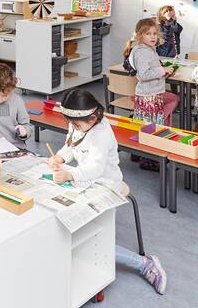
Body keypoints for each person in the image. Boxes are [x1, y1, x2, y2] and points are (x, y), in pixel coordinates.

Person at [47, 90, 167, 295]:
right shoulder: (79, 121)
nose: (73, 127)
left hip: (106, 185)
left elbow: (96, 169)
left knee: (89, 236)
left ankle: (144, 264)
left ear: (93, 118)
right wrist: (60, 158)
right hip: (84, 182)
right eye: (71, 124)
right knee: (62, 219)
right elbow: (71, 144)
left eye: (76, 124)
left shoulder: (101, 133)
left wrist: (69, 175)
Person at [124, 18, 179, 171]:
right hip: (149, 96)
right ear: (140, 35)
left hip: (152, 93)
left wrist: (164, 73)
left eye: (155, 33)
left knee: (147, 125)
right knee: (151, 128)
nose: (153, 37)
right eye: (148, 34)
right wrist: (162, 71)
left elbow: (150, 71)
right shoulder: (142, 52)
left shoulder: (147, 49)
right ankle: (148, 161)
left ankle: (139, 154)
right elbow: (144, 75)